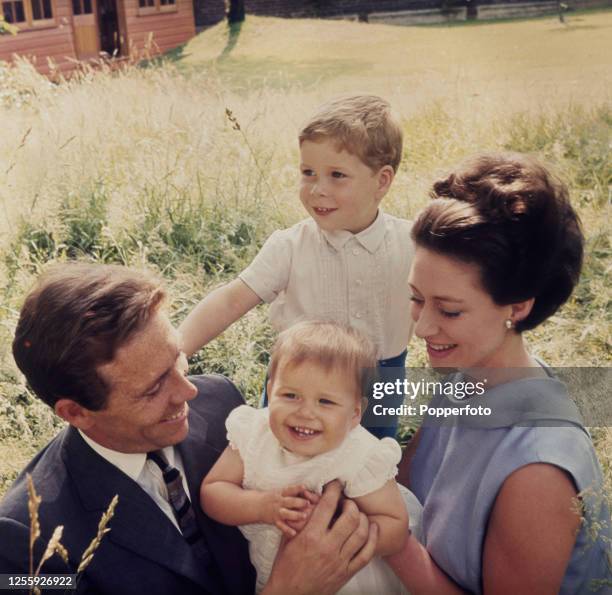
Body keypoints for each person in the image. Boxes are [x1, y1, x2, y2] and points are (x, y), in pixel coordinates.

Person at [0, 263, 378, 595]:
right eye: (153, 388)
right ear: (75, 412)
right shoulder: (24, 546)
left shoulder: (221, 403)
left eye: (177, 359)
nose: (189, 390)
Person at [387, 153, 611, 593]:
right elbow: (406, 486)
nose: (422, 327)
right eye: (417, 298)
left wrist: (394, 545)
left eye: (449, 310)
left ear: (519, 306)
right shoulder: (466, 372)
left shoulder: (538, 473)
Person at [179, 94, 414, 438]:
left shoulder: (413, 244)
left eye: (337, 175)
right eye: (308, 173)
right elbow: (232, 300)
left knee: (367, 469)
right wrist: (178, 349)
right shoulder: (290, 246)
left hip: (381, 382)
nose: (317, 189)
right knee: (278, 465)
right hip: (299, 382)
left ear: (382, 181)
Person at [201, 321, 423, 593]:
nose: (305, 412)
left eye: (325, 402)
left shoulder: (359, 455)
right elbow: (213, 492)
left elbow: (395, 527)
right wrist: (262, 506)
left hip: (345, 581)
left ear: (355, 413)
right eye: (291, 395)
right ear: (270, 392)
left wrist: (339, 535)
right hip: (272, 578)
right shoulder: (254, 435)